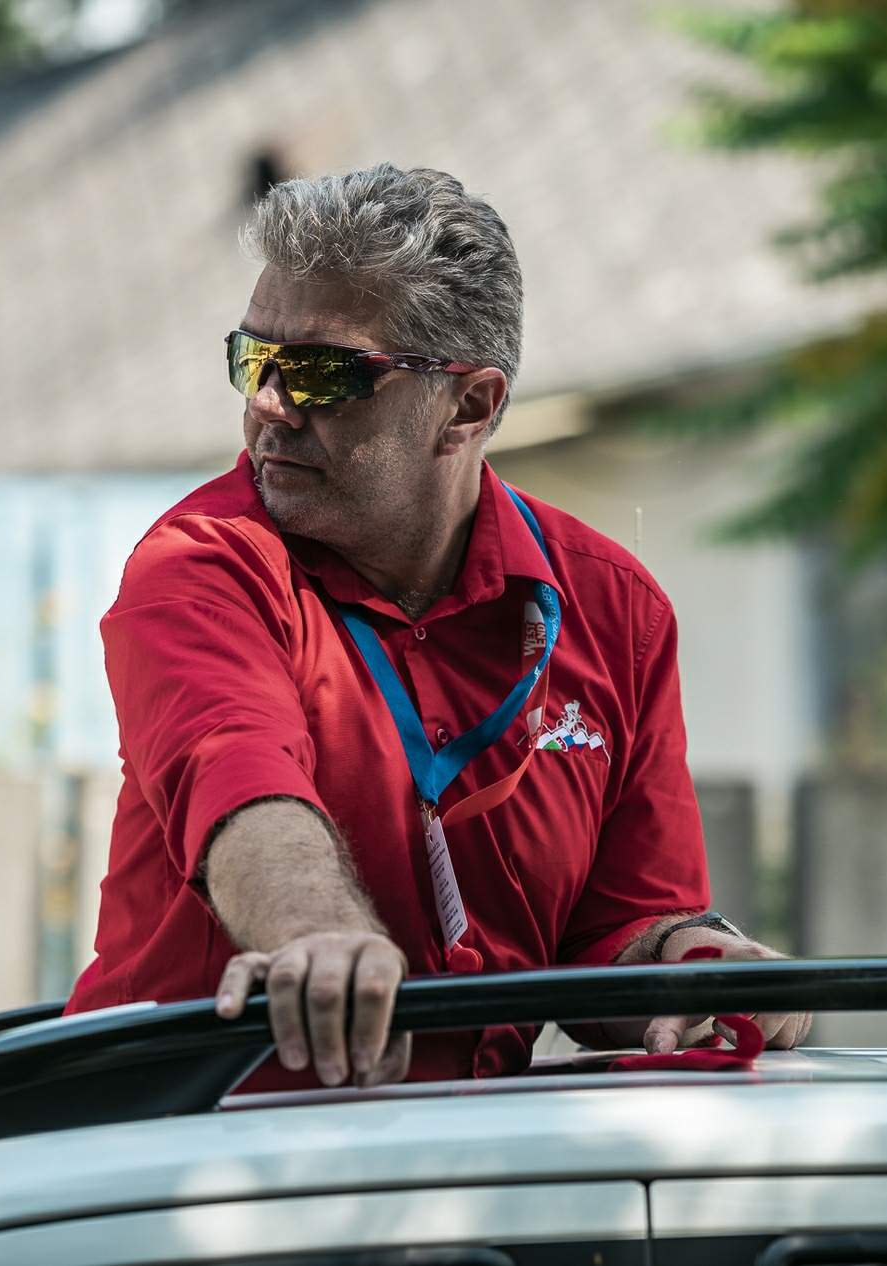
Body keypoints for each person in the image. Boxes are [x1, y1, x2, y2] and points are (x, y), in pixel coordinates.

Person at [65, 162, 811, 1088]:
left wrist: (695, 962)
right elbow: (243, 790)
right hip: (172, 1141)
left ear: (469, 406)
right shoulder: (199, 563)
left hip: (455, 1151)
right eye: (252, 360)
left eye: (324, 375)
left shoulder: (617, 609)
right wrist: (316, 936)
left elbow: (618, 936)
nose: (268, 405)